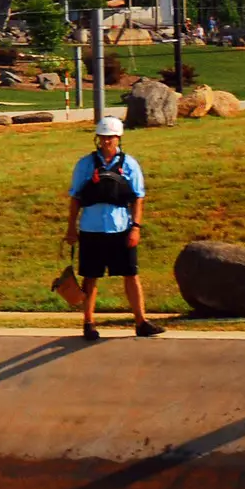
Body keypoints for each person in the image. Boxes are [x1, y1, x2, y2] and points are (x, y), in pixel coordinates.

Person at [67, 116, 164, 340]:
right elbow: (75, 198)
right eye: (102, 137)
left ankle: (141, 321)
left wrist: (136, 227)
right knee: (90, 277)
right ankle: (88, 323)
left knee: (131, 274)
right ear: (97, 138)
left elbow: (138, 198)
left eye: (110, 137)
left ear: (118, 137)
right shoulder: (85, 164)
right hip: (91, 228)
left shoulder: (129, 164)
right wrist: (71, 228)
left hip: (121, 227)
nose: (106, 141)